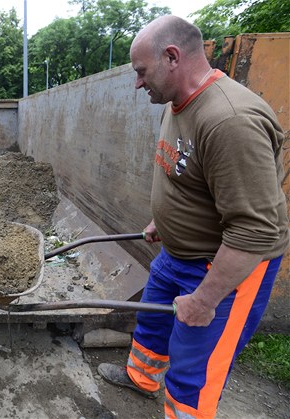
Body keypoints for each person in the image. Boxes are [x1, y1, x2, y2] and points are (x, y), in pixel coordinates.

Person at [97, 15, 288, 418]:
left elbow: (255, 228)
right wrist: (162, 222)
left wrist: (205, 299)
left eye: (141, 72)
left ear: (171, 57)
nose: (137, 83)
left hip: (223, 270)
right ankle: (141, 380)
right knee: (151, 325)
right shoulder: (176, 101)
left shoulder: (230, 121)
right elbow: (184, 174)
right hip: (177, 254)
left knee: (193, 371)